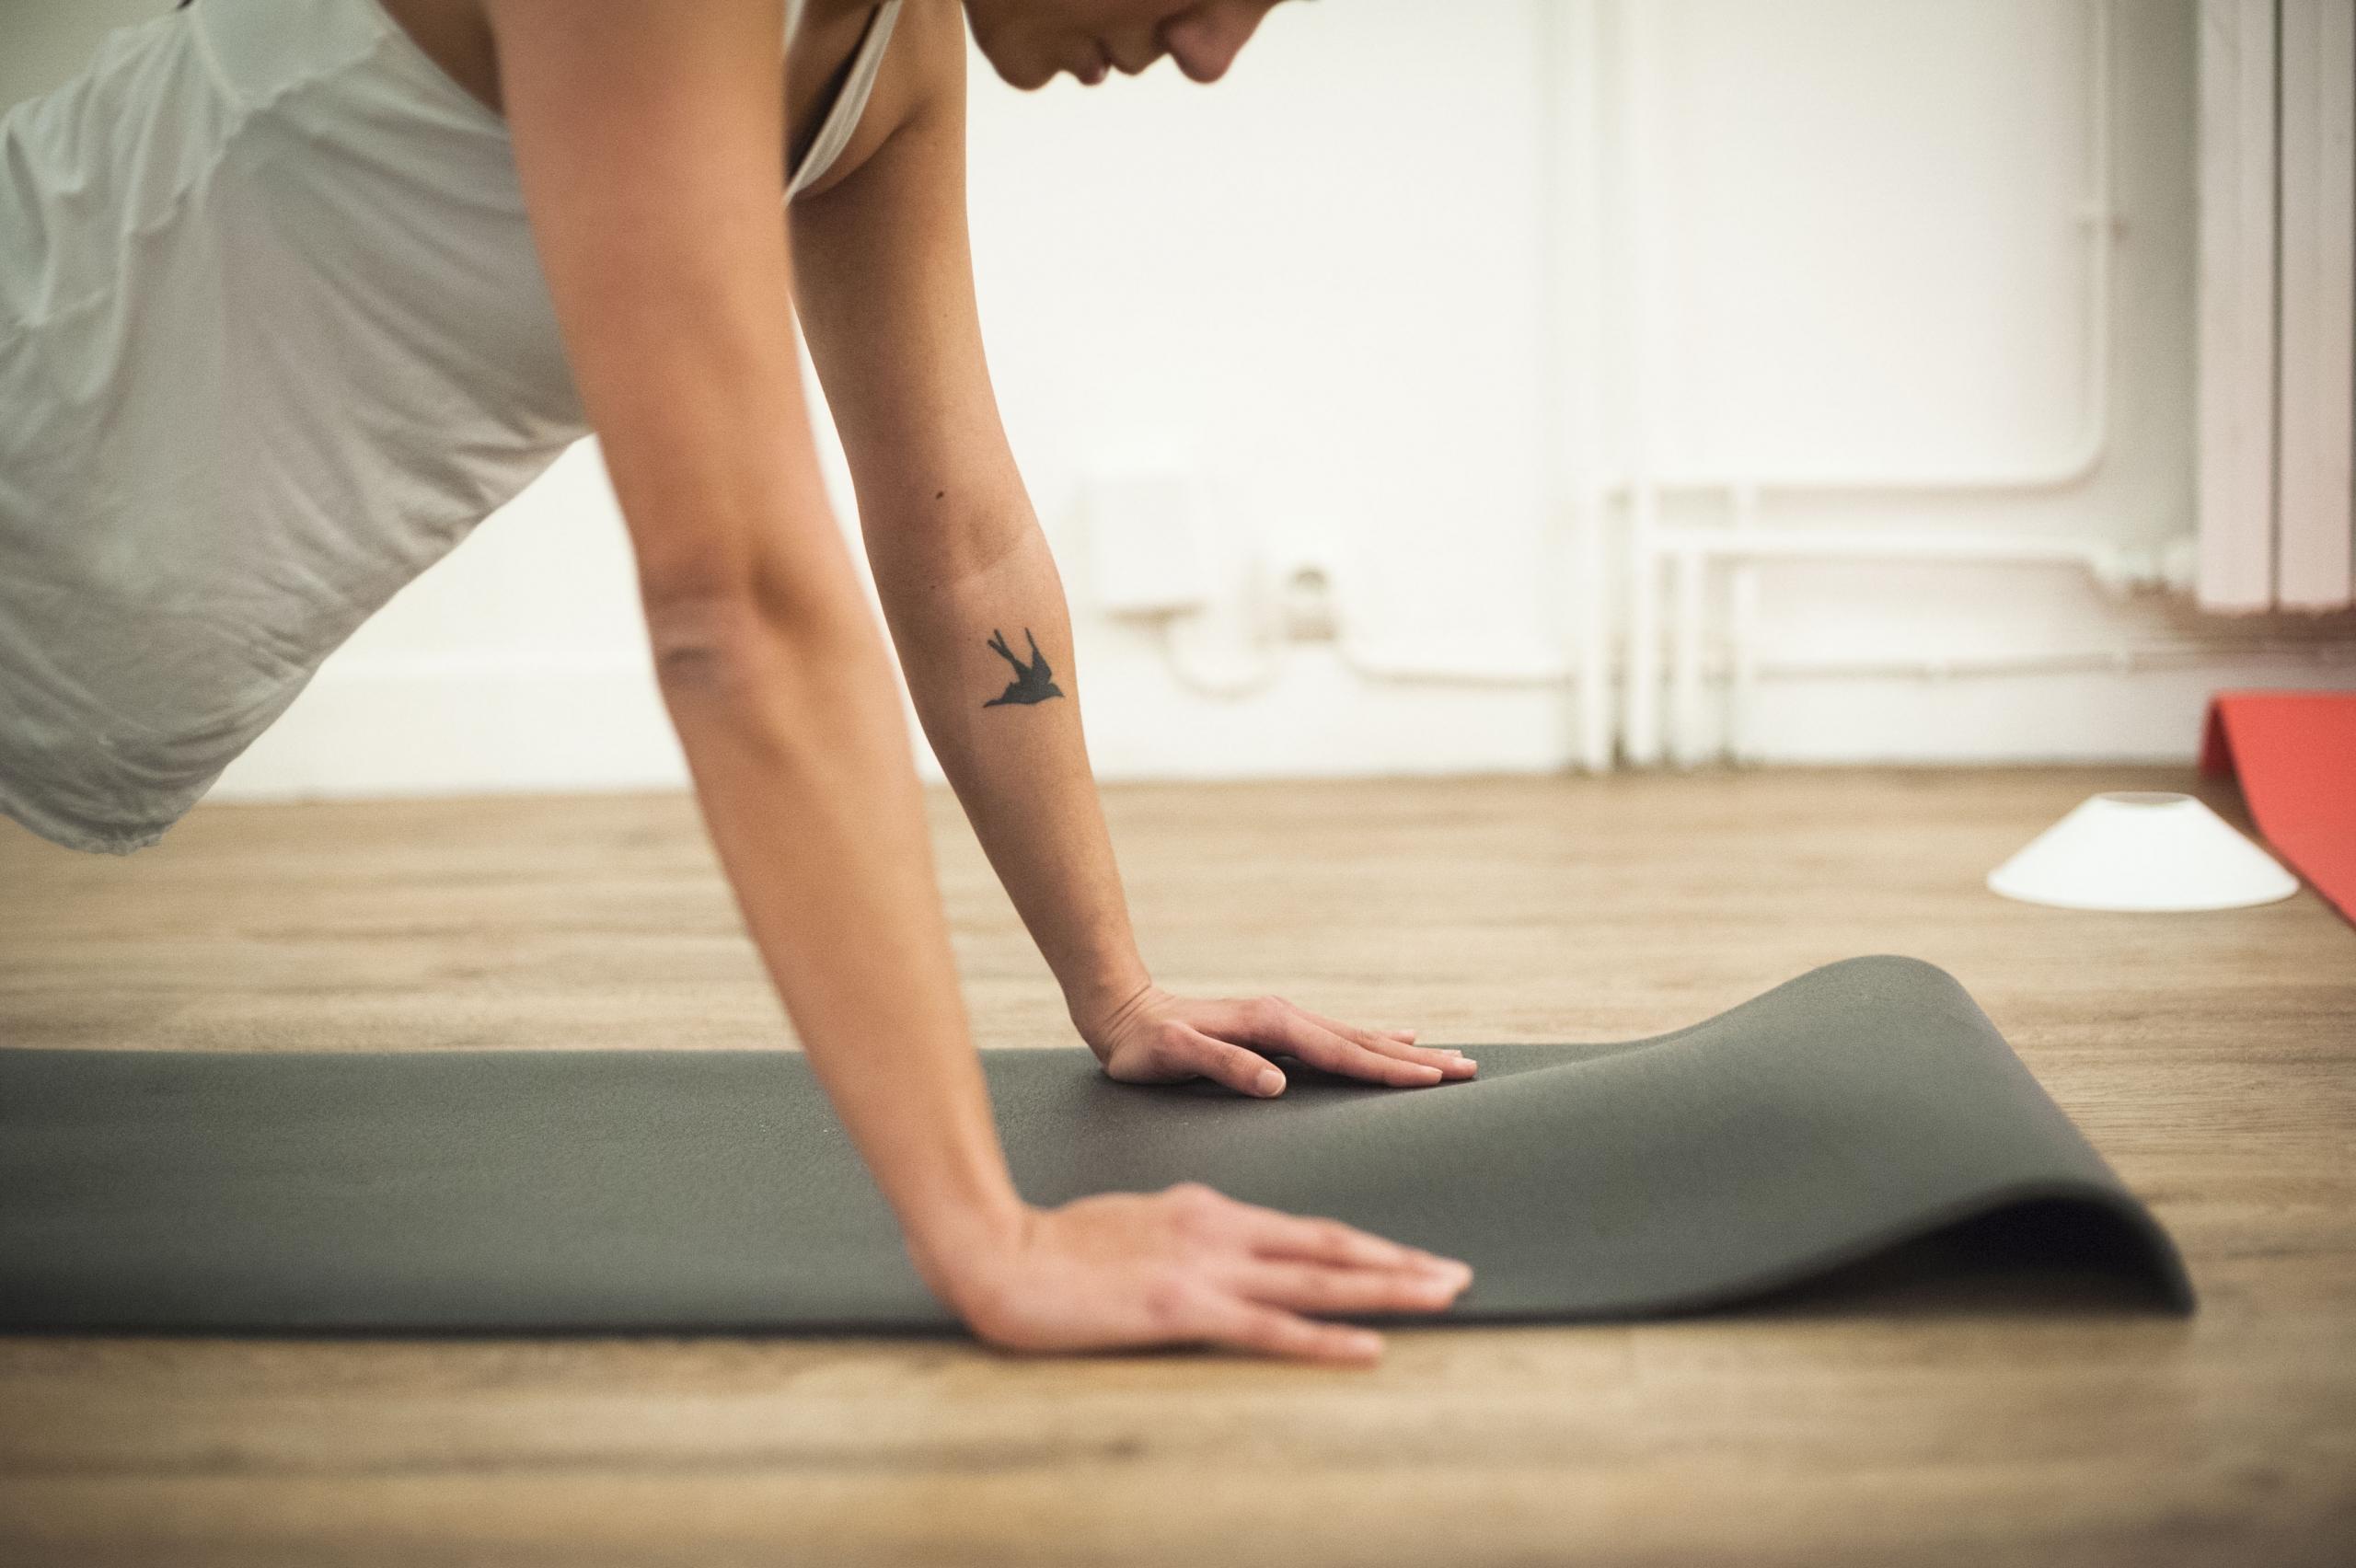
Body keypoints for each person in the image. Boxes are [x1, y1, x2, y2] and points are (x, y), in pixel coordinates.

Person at [0, 0, 1480, 1363]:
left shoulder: (885, 58)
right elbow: (736, 606)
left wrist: (1120, 989)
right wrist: (987, 1234)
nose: (1216, 48)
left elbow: (955, 536)